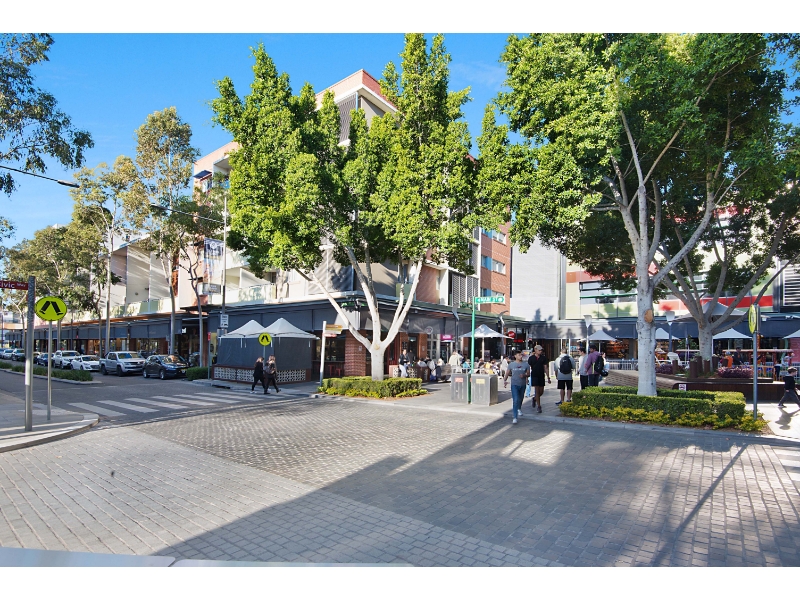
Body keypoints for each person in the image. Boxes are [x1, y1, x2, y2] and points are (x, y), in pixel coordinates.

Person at [503, 350, 530, 424]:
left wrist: (524, 375)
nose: (520, 356)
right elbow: (507, 373)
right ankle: (515, 417)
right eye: (519, 355)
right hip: (514, 384)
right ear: (515, 356)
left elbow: (528, 374)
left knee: (520, 398)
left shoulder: (526, 364)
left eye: (521, 355)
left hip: (522, 384)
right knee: (515, 400)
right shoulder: (511, 364)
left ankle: (519, 408)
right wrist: (505, 380)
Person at [527, 345, 551, 413]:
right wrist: (527, 376)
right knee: (537, 391)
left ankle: (535, 399)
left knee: (541, 392)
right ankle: (539, 406)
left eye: (541, 350)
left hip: (541, 376)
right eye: (539, 350)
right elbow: (528, 367)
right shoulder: (531, 358)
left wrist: (548, 377)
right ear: (535, 350)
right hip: (534, 376)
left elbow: (545, 367)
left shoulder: (543, 358)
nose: (540, 351)